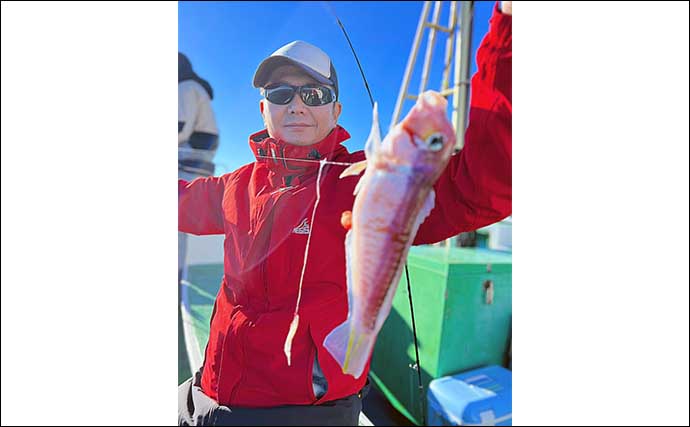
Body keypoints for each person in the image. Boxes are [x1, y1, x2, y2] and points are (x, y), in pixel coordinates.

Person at [178, 2, 512, 425]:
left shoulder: (369, 183)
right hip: (206, 390)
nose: (296, 104)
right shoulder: (235, 186)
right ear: (264, 109)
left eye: (313, 94)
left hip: (301, 412)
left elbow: (487, 183)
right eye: (280, 94)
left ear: (336, 111)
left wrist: (511, 27)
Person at [178, 52, 220, 284]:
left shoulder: (185, 87)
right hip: (196, 162)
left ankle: (177, 277)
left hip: (186, 161)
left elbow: (179, 127)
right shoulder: (193, 87)